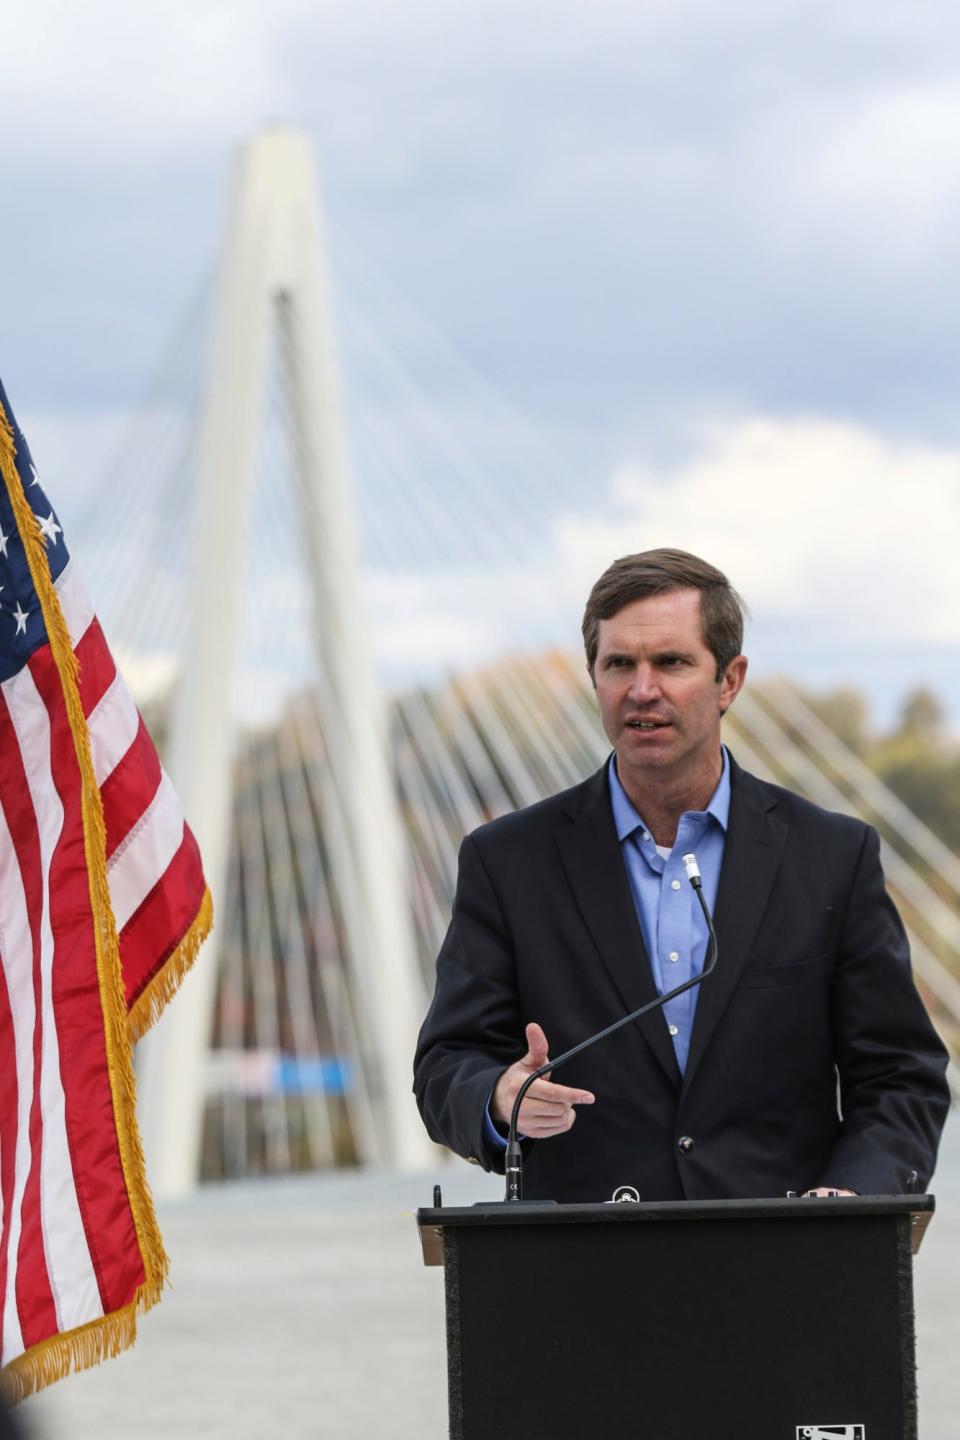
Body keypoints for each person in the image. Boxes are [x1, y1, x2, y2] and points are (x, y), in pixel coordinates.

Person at [413, 549, 950, 1202]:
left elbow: (900, 1076)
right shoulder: (507, 862)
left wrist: (851, 1199)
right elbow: (447, 1064)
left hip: (788, 1270)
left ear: (729, 680)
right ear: (594, 679)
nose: (643, 690)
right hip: (576, 1277)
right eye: (619, 665)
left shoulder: (832, 858)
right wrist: (497, 1098)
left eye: (671, 662)